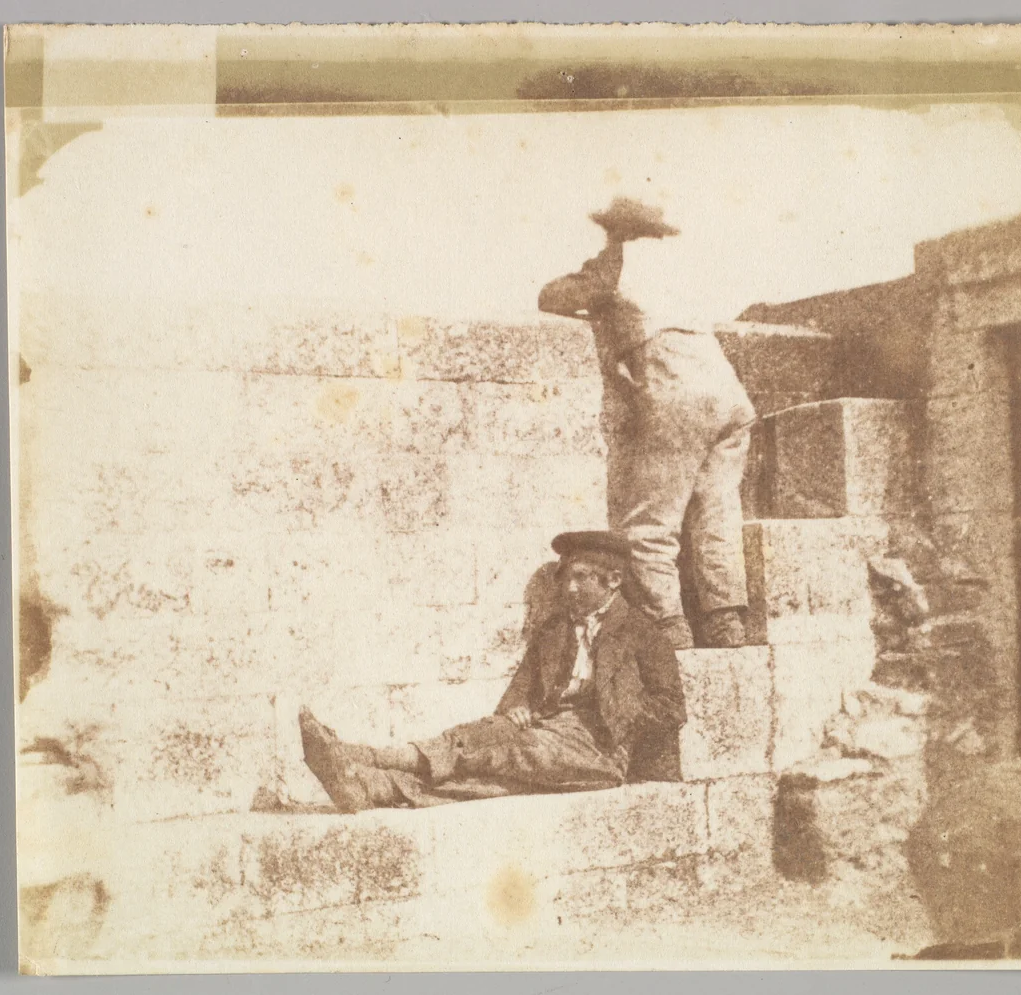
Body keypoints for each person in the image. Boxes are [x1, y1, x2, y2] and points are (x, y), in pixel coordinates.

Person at [299, 530, 686, 812]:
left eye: (581, 577)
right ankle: (370, 786)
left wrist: (623, 710)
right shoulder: (555, 630)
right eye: (566, 577)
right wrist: (516, 707)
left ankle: (359, 755)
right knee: (491, 753)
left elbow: (672, 708)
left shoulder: (642, 633)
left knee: (509, 749)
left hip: (602, 748)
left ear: (613, 581)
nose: (568, 587)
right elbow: (523, 684)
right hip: (547, 729)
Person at [537, 197, 756, 650]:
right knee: (716, 514)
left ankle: (668, 627)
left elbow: (553, 297)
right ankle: (726, 622)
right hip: (728, 394)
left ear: (618, 230)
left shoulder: (618, 261)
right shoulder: (682, 269)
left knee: (650, 522)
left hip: (678, 393)